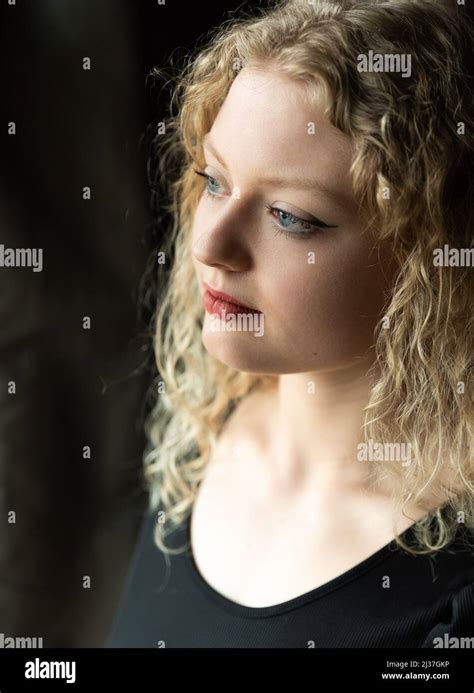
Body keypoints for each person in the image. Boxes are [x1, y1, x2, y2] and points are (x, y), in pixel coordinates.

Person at [107, 0, 474, 648]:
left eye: (291, 217)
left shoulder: (454, 586)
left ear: (429, 256)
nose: (210, 246)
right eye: (213, 180)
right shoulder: (194, 438)